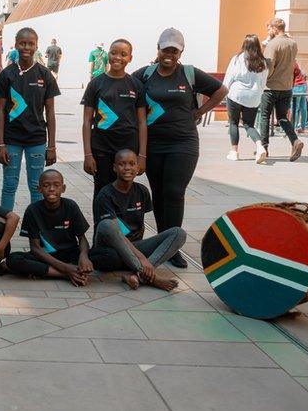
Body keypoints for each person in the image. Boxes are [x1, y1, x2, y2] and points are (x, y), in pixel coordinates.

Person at [132, 28, 226, 269]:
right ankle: (164, 241)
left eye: (174, 50)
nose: (169, 54)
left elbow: (221, 91)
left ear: (180, 51)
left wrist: (200, 112)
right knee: (159, 194)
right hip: (153, 144)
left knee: (174, 192)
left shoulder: (189, 74)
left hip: (183, 143)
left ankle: (173, 247)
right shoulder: (146, 74)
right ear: (158, 49)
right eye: (165, 49)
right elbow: (126, 89)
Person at [90, 150, 186, 291]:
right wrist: (141, 257)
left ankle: (138, 275)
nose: (127, 168)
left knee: (178, 233)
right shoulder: (105, 194)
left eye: (132, 164)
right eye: (122, 164)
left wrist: (139, 253)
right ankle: (148, 275)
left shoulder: (142, 191)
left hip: (133, 248)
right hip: (110, 251)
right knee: (107, 225)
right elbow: (115, 234)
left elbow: (140, 225)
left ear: (138, 167)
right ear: (114, 168)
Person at [4, 169, 112, 285]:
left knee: (110, 254)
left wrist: (84, 256)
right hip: (45, 257)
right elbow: (35, 248)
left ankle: (54, 271)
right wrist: (66, 269)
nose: (51, 189)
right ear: (39, 189)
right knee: (13, 259)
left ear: (63, 188)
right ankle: (67, 274)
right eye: (46, 185)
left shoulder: (71, 206)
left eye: (56, 185)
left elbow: (82, 238)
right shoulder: (32, 210)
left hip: (71, 254)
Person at [0, 27, 60, 211]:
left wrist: (52, 146)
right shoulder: (6, 74)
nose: (26, 47)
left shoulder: (44, 74)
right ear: (15, 45)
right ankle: (4, 226)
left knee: (37, 187)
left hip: (36, 139)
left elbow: (51, 113)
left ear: (37, 46)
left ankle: (36, 230)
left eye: (31, 43)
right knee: (9, 184)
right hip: (11, 139)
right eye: (22, 43)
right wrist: (0, 144)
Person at [80, 39, 147, 197]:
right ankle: (102, 223)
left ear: (130, 58)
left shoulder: (136, 85)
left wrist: (142, 156)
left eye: (123, 54)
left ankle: (124, 222)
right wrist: (88, 154)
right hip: (101, 148)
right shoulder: (95, 84)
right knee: (102, 191)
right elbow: (87, 121)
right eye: (113, 52)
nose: (118, 57)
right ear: (107, 55)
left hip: (129, 147)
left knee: (125, 191)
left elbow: (142, 122)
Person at [258, 18, 305, 161]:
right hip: (287, 87)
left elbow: (269, 66)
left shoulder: (272, 45)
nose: (268, 32)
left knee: (264, 116)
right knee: (283, 117)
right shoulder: (293, 43)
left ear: (274, 28)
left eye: (269, 29)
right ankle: (295, 140)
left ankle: (264, 148)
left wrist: (263, 80)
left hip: (271, 87)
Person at [223, 35, 268, 163]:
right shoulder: (263, 62)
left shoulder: (237, 58)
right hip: (253, 97)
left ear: (244, 45)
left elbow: (229, 77)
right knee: (249, 125)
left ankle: (234, 152)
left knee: (233, 122)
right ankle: (260, 147)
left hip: (236, 95)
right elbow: (263, 83)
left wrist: (224, 92)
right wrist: (257, 96)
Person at [291, 60, 308, 133]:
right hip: (303, 85)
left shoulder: (291, 63)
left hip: (297, 86)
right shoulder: (295, 63)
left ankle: (293, 127)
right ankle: (303, 127)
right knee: (303, 107)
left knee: (295, 107)